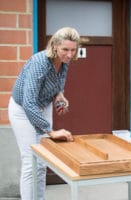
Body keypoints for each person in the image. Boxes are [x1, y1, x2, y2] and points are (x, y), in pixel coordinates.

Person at [8, 27, 80, 200]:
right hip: (22, 110)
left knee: (41, 162)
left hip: (43, 106)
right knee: (30, 162)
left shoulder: (64, 62)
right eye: (65, 50)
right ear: (55, 46)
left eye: (73, 50)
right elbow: (28, 102)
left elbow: (58, 84)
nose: (69, 55)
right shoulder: (39, 62)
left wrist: (60, 96)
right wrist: (51, 131)